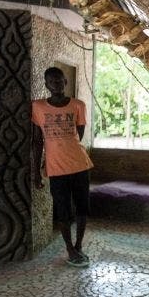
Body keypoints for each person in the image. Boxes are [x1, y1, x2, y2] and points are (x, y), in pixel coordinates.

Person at [32, 67, 94, 267]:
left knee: (82, 208)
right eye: (52, 82)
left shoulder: (78, 105)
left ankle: (79, 246)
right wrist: (35, 172)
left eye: (60, 81)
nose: (56, 85)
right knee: (63, 210)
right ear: (46, 85)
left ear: (65, 82)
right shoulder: (38, 107)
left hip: (80, 165)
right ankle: (69, 249)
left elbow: (79, 134)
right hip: (56, 168)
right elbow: (37, 141)